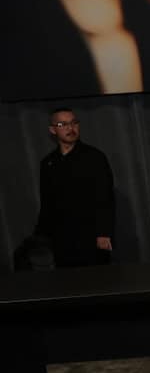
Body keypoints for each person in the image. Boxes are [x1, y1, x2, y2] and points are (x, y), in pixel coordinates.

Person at [35, 108, 114, 268]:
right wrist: (41, 236)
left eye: (73, 123)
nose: (70, 128)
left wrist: (103, 233)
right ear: (52, 130)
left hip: (91, 235)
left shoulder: (94, 157)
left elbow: (105, 197)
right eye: (62, 124)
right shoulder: (48, 162)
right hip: (61, 238)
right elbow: (47, 201)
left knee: (99, 282)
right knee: (68, 284)